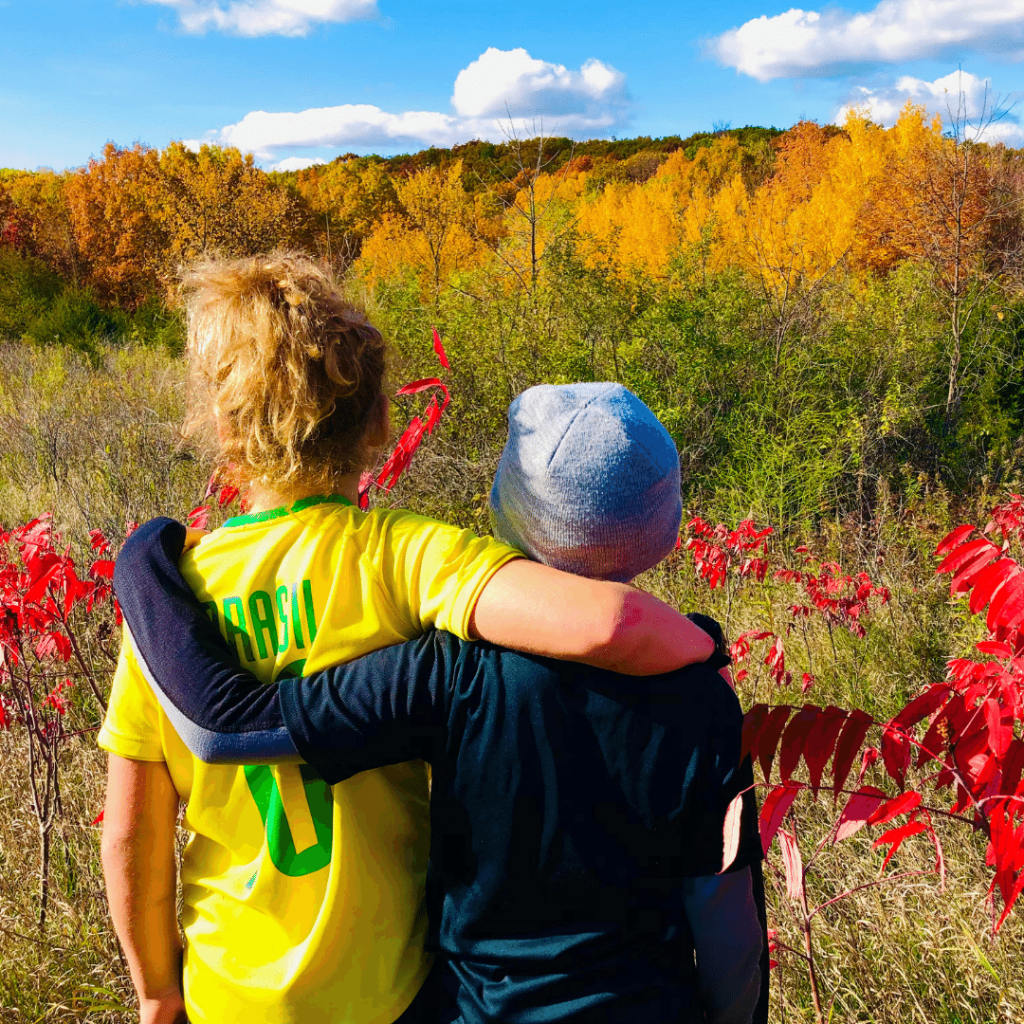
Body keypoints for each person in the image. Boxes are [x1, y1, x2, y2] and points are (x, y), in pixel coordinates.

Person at [97, 256, 721, 1024]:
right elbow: (607, 620)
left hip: (230, 991)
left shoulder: (169, 603)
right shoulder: (405, 555)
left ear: (223, 426)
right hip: (390, 985)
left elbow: (131, 832)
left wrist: (158, 991)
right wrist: (703, 649)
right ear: (379, 423)